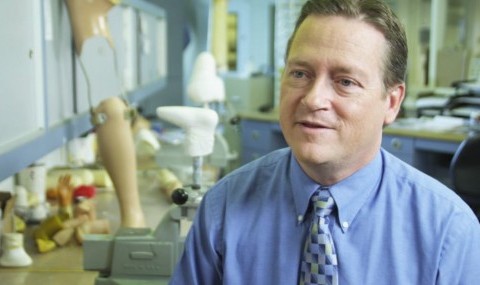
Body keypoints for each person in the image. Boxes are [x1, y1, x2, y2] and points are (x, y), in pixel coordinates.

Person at [169, 0, 480, 284]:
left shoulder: (448, 231)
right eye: (300, 73)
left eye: (345, 81)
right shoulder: (223, 207)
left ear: (392, 102)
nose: (313, 98)